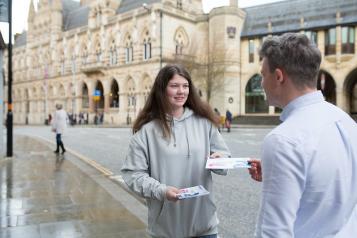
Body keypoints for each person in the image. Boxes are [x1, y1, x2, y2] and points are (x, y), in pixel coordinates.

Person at [248, 33, 357, 237]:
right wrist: (284, 174)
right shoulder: (347, 122)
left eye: (263, 75)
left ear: (279, 76)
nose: (261, 83)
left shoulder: (282, 140)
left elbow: (273, 232)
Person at [121, 64, 231, 238]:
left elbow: (224, 156)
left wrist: (219, 159)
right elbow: (133, 175)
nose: (181, 91)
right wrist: (161, 191)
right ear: (161, 90)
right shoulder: (146, 132)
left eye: (185, 86)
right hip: (166, 231)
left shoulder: (205, 123)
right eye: (174, 86)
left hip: (206, 228)